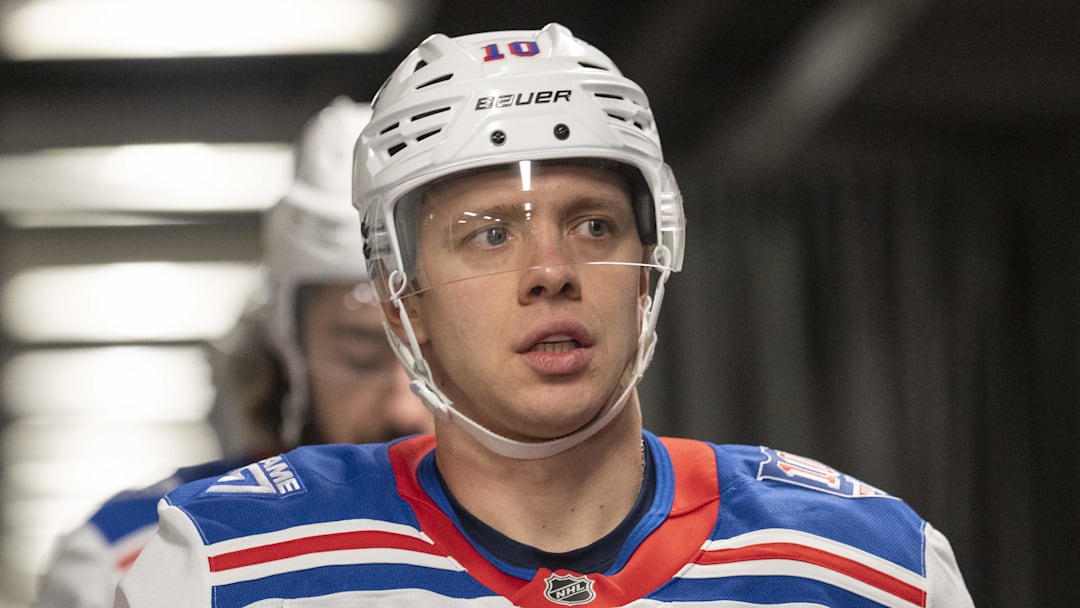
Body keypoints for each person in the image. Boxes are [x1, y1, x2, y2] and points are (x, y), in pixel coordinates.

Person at [115, 24, 974, 607]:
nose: (551, 272)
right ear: (397, 293)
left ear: (652, 261)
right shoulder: (224, 566)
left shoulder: (868, 566)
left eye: (593, 224)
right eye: (488, 236)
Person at [32, 97, 432, 608]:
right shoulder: (136, 556)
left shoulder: (558, 543)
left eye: (431, 352)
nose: (403, 405)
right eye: (358, 354)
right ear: (290, 346)